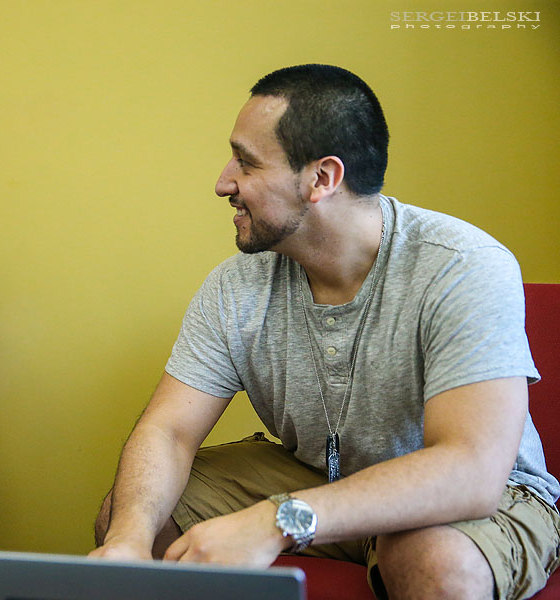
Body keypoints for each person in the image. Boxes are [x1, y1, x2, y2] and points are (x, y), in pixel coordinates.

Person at [91, 64, 560, 600]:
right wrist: (127, 542)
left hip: (486, 496)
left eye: (246, 162)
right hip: (316, 475)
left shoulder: (463, 265)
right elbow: (169, 432)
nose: (224, 182)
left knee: (432, 561)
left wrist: (277, 519)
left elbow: (471, 469)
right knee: (133, 513)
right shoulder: (235, 286)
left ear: (322, 179)